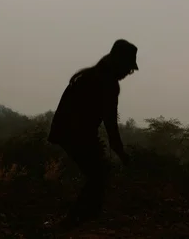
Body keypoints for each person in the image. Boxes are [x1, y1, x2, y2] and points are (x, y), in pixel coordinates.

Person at [47, 39, 139, 228]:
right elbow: (110, 123)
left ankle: (84, 217)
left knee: (98, 173)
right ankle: (75, 219)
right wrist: (121, 153)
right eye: (128, 68)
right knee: (98, 174)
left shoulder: (89, 76)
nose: (128, 73)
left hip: (70, 131)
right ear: (119, 63)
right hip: (74, 132)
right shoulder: (107, 83)